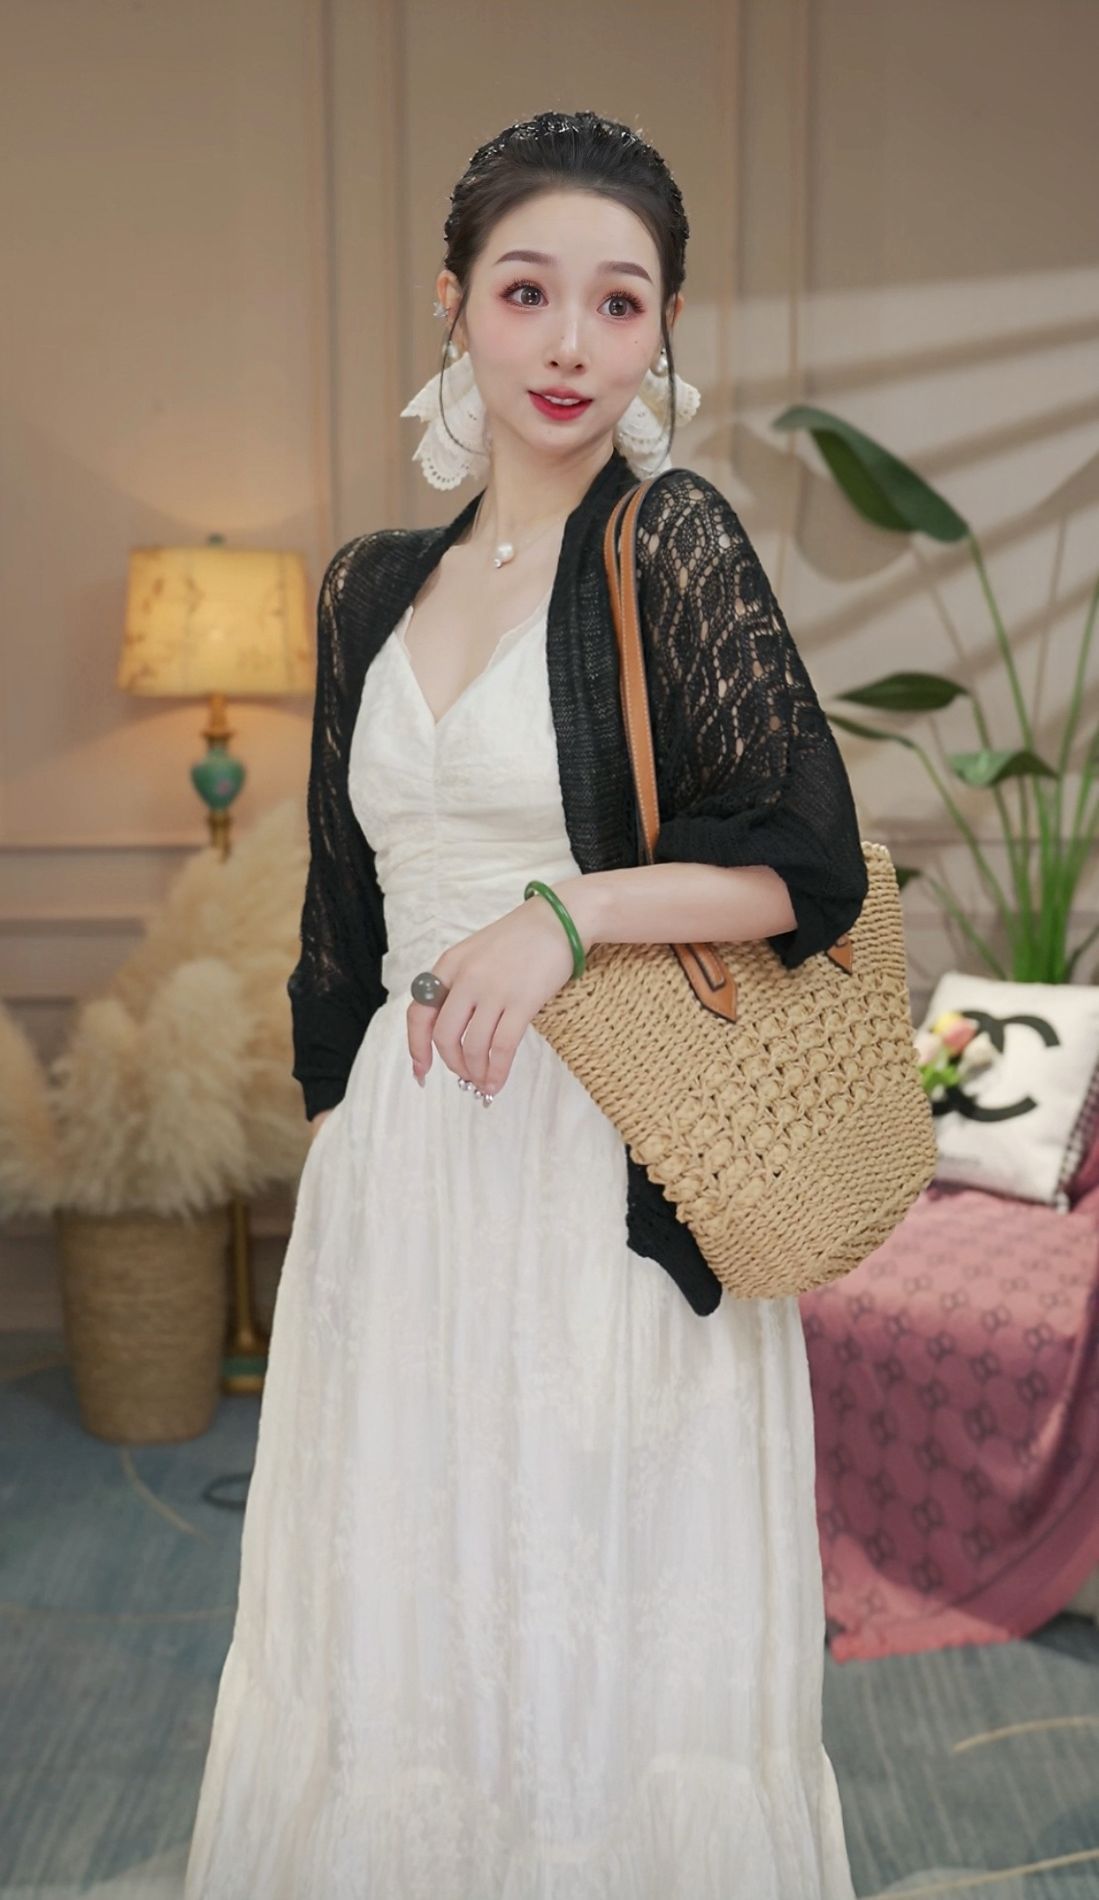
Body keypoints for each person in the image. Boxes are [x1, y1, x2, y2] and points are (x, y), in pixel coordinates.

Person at [183, 108, 865, 1898]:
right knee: (403, 1636)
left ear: (664, 331)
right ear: (455, 303)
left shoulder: (673, 541)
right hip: (406, 1185)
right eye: (527, 292)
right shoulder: (370, 587)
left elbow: (805, 857)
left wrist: (568, 917)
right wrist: (354, 1167)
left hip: (602, 1169)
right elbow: (341, 921)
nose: (570, 343)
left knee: (596, 1635)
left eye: (619, 303)